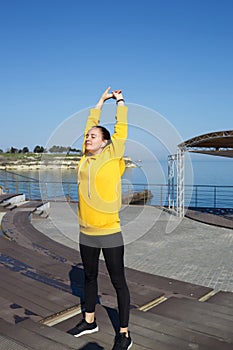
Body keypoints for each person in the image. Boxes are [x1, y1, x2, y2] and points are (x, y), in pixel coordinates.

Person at [73, 87, 132, 350]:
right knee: (89, 277)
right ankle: (90, 321)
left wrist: (119, 101)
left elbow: (121, 129)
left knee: (118, 282)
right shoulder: (84, 160)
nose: (88, 137)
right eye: (87, 136)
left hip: (109, 232)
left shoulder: (112, 155)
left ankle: (124, 334)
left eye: (93, 136)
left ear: (105, 143)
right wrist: (98, 103)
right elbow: (90, 123)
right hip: (86, 231)